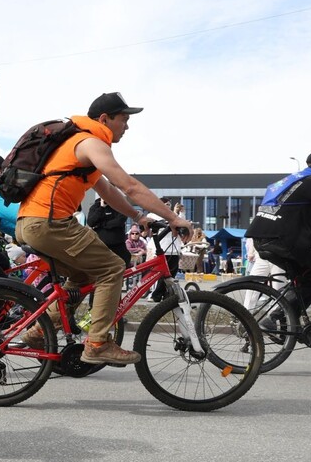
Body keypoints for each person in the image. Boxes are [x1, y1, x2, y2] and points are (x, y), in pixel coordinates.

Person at [15, 92, 190, 365]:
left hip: (29, 223)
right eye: (124, 119)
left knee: (83, 275)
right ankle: (97, 343)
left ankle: (41, 330)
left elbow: (108, 191)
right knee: (111, 268)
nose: (128, 126)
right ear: (105, 119)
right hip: (50, 223)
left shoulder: (80, 146)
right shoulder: (90, 142)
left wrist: (138, 216)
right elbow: (128, 185)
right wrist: (173, 217)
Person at [245, 151, 311, 331]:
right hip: (282, 240)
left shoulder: (292, 180)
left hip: (261, 236)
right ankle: (276, 317)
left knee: (304, 278)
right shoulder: (310, 182)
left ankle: (286, 322)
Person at [87, 196, 131, 266]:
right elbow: (91, 222)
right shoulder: (96, 206)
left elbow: (119, 221)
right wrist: (101, 208)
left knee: (125, 262)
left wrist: (102, 224)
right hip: (101, 246)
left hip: (118, 245)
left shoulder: (119, 205)